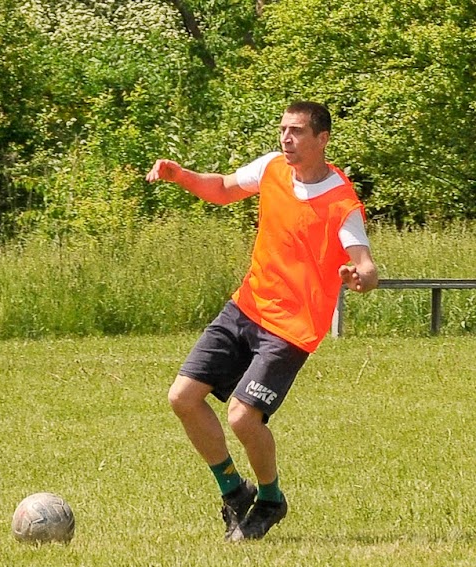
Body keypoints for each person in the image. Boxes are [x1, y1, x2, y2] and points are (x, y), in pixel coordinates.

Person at [145, 101, 379, 542]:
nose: (286, 139)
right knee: (182, 397)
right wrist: (182, 176)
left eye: (297, 132)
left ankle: (270, 498)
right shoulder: (273, 168)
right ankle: (234, 490)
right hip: (246, 307)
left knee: (241, 417)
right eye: (283, 130)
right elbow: (224, 188)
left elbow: (366, 266)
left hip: (292, 329)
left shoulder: (340, 203)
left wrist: (358, 278)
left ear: (321, 139)